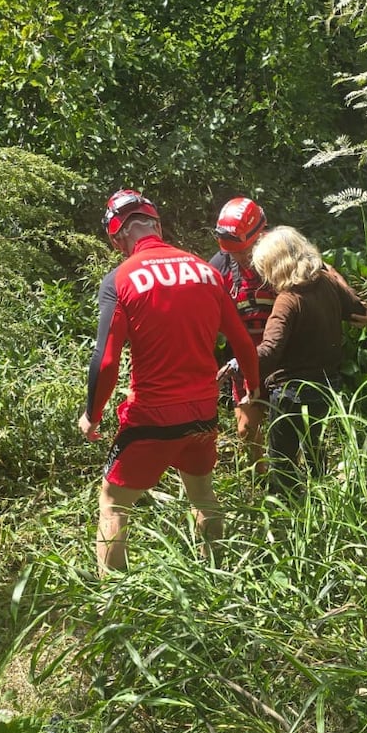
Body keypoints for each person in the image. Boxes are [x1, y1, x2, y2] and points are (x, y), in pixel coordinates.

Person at [79, 190, 259, 572]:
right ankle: (217, 575)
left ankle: (113, 600)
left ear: (116, 237)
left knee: (112, 503)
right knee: (203, 495)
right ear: (157, 225)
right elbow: (243, 342)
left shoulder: (120, 279)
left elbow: (107, 359)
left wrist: (92, 414)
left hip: (150, 418)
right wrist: (253, 390)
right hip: (202, 413)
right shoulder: (206, 271)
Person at [251, 226, 367, 494]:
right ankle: (323, 503)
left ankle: (288, 518)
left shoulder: (288, 300)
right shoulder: (328, 284)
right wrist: (334, 275)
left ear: (275, 265)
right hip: (326, 388)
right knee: (315, 450)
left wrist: (240, 365)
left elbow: (270, 351)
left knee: (283, 464)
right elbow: (360, 310)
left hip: (290, 394)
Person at [210, 196, 275, 475]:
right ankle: (260, 484)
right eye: (233, 252)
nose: (238, 257)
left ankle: (294, 487)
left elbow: (322, 272)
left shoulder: (284, 253)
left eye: (244, 251)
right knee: (246, 431)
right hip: (244, 357)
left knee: (289, 428)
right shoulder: (222, 263)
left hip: (285, 356)